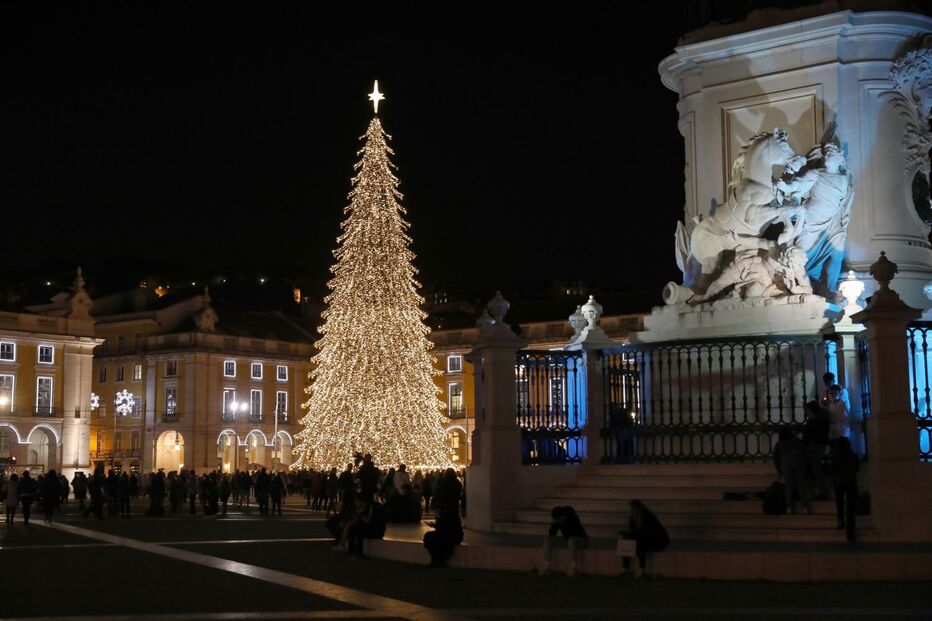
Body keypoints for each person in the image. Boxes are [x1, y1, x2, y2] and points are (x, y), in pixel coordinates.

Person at [619, 500, 669, 578]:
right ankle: (625, 568)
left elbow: (648, 533)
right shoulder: (633, 519)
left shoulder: (648, 517)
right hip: (645, 539)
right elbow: (635, 532)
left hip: (657, 541)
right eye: (631, 509)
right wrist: (627, 534)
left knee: (641, 543)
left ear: (638, 509)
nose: (631, 511)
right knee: (625, 540)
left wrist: (633, 534)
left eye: (633, 508)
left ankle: (642, 569)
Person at [540, 505, 588, 576]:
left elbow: (574, 534)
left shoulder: (572, 518)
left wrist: (562, 523)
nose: (557, 521)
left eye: (558, 519)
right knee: (547, 539)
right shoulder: (559, 521)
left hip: (582, 541)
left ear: (563, 517)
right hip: (568, 540)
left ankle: (574, 567)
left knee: (571, 540)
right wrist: (554, 524)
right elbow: (551, 534)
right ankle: (547, 566)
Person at [773, 428, 811, 515]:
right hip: (799, 464)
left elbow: (775, 456)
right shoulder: (797, 441)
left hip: (786, 465)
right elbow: (806, 451)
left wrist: (779, 469)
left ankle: (790, 507)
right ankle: (805, 507)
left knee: (789, 487)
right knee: (800, 485)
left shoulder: (780, 443)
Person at [832, 437, 860, 542]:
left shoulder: (836, 456)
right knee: (850, 509)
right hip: (851, 482)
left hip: (839, 482)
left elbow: (833, 470)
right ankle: (851, 534)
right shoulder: (853, 456)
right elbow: (857, 469)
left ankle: (840, 520)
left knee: (840, 503)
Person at [802, 400, 831, 499]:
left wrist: (810, 444)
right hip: (812, 447)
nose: (806, 413)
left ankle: (822, 492)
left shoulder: (820, 421)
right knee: (811, 469)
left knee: (817, 470)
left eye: (807, 410)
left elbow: (820, 436)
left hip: (815, 447)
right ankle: (817, 490)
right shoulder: (814, 420)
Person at [423, 503, 464, 568]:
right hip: (446, 534)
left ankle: (439, 559)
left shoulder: (451, 516)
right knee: (429, 536)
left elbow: (447, 528)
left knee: (436, 539)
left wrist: (437, 523)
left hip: (451, 536)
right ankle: (435, 559)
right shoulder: (446, 516)